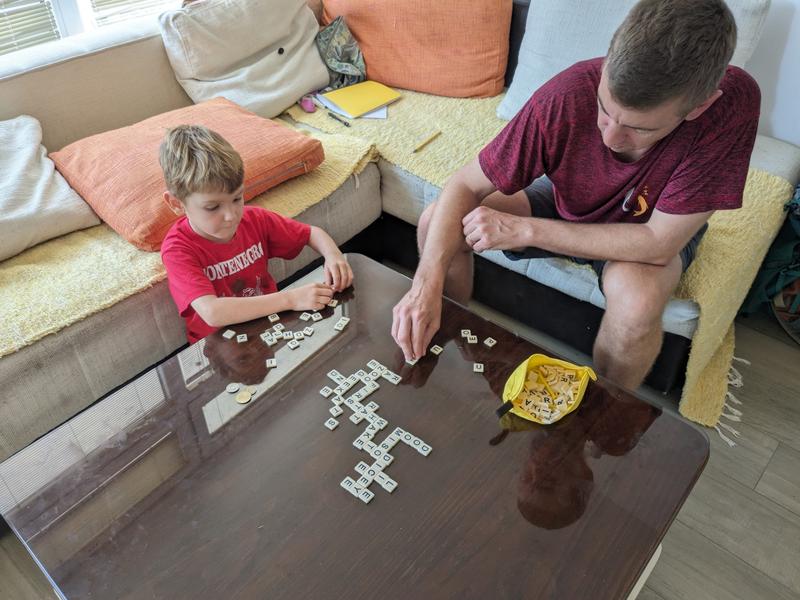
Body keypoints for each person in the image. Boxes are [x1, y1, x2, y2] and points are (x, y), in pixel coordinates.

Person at [391, 0, 759, 390]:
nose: (611, 138)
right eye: (604, 109)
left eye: (640, 129)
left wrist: (527, 231)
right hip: (566, 196)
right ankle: (443, 340)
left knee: (637, 304)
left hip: (654, 220)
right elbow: (466, 185)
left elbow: (658, 243)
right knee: (438, 222)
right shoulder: (569, 91)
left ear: (700, 106)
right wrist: (423, 287)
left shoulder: (734, 104)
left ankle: (603, 408)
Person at [160, 124, 353, 343]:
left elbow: (312, 233)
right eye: (213, 207)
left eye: (237, 198)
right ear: (176, 203)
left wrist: (334, 256)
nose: (231, 215)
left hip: (269, 323)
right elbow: (212, 312)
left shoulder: (254, 219)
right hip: (221, 343)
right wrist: (290, 299)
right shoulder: (178, 249)